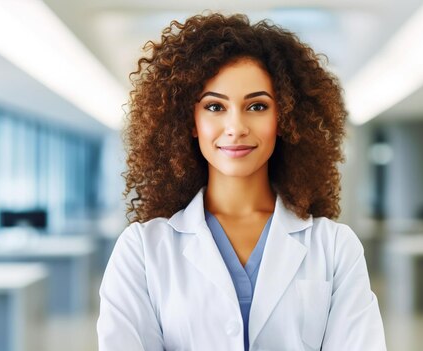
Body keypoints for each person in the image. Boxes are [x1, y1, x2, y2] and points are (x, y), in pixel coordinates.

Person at [97, 12, 386, 351]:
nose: (236, 127)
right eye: (215, 107)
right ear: (190, 122)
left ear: (285, 118)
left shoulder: (336, 248)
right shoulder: (142, 251)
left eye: (257, 106)